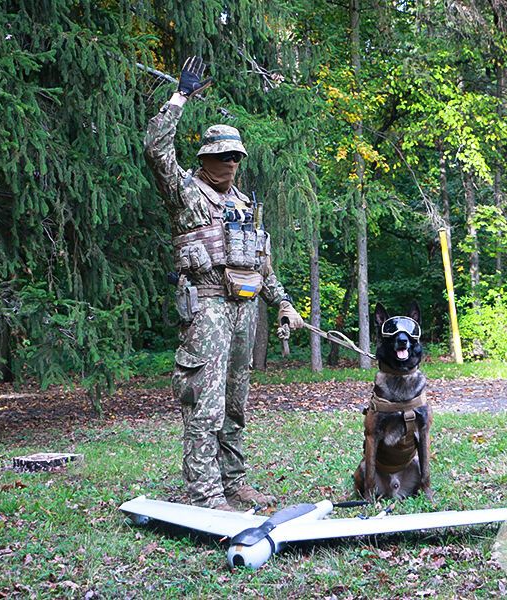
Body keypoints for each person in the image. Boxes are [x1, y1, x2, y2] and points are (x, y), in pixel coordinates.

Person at [144, 57, 304, 510]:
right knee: (204, 401)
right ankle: (206, 492)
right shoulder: (186, 193)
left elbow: (262, 263)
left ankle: (233, 482)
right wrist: (180, 98)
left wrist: (285, 304)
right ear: (206, 158)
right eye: (223, 155)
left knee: (236, 401)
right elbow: (156, 151)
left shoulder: (244, 206)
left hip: (244, 309)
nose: (231, 162)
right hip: (207, 308)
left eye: (236, 156)